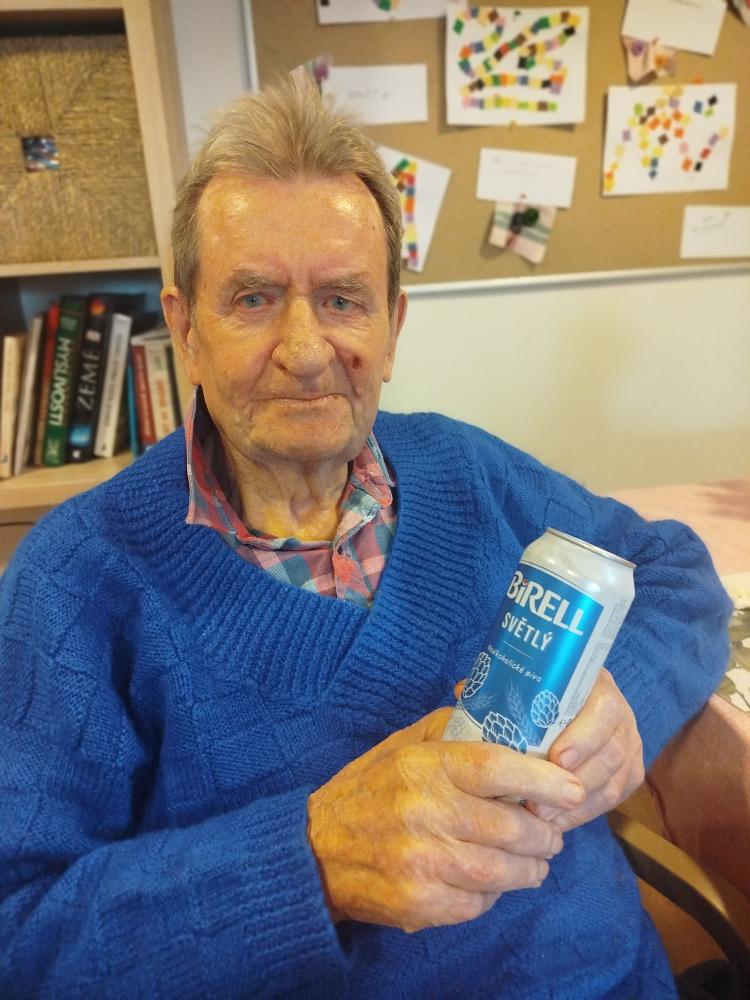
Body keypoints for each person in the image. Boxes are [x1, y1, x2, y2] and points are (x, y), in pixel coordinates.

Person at [0, 74, 731, 999]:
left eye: (344, 300)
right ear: (185, 328)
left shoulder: (468, 469)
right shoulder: (74, 580)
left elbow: (675, 571)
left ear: (393, 327)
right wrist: (311, 860)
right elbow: (21, 938)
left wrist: (629, 699)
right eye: (254, 298)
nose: (306, 351)